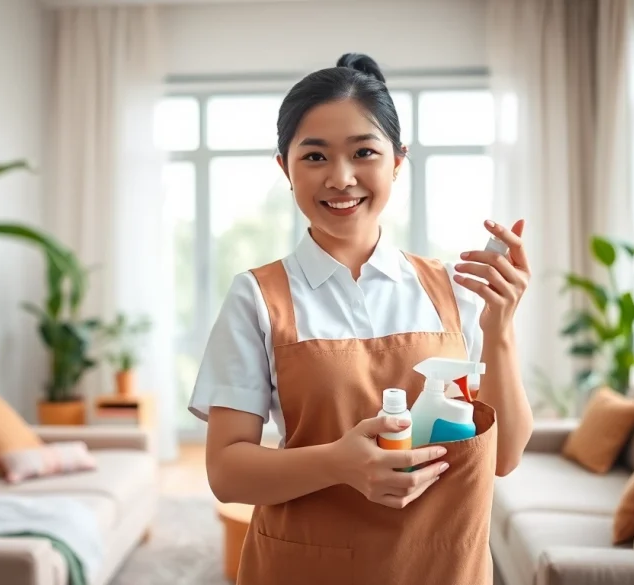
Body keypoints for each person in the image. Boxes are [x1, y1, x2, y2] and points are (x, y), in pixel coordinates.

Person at [188, 53, 534, 585]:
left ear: (397, 160)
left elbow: (503, 456)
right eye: (315, 157)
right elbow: (227, 472)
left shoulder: (454, 292)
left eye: (363, 152)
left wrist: (500, 328)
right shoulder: (257, 297)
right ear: (285, 168)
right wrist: (338, 464)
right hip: (306, 568)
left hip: (441, 568)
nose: (341, 178)